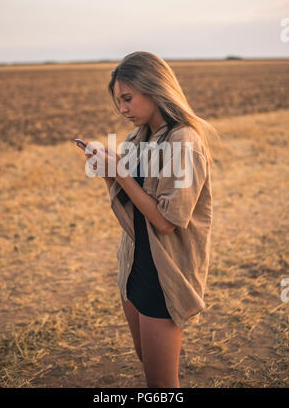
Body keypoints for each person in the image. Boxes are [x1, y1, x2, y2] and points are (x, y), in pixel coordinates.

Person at [76, 51, 219, 388]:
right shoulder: (136, 139)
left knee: (161, 384)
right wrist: (105, 168)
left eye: (127, 99)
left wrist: (120, 172)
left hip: (164, 274)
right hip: (133, 266)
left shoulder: (184, 142)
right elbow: (131, 208)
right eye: (118, 102)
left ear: (154, 89)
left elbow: (167, 221)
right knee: (147, 362)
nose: (122, 109)